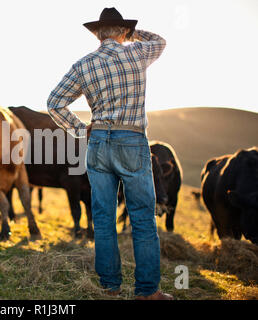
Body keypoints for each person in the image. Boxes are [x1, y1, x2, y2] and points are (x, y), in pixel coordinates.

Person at [47, 7, 173, 300]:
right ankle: (147, 292)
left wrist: (80, 129)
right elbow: (161, 41)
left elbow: (54, 102)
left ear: (98, 34)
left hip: (99, 141)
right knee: (142, 217)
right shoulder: (137, 53)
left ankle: (110, 288)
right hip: (131, 139)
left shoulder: (84, 64)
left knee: (103, 218)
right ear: (122, 32)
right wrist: (134, 34)